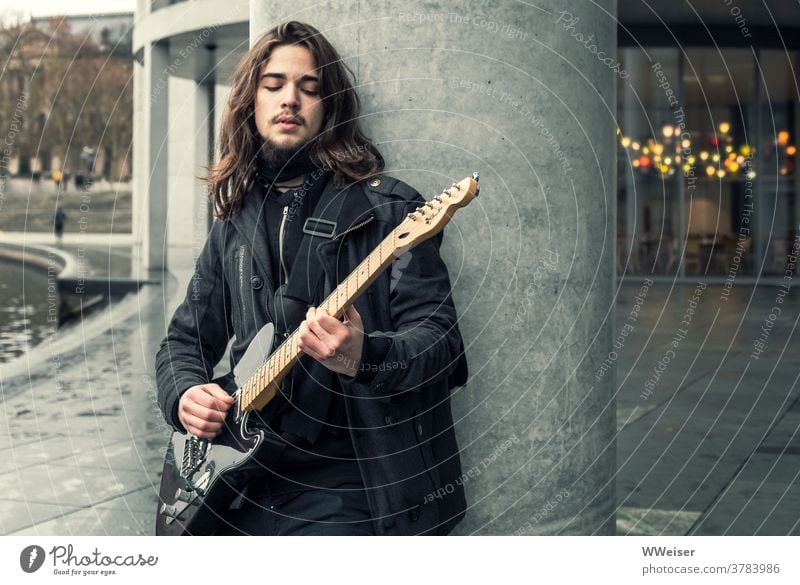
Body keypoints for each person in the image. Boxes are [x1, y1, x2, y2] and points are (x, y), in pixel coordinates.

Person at [154, 21, 468, 536]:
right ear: (250, 103)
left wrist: (364, 356)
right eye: (273, 85)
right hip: (241, 477)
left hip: (349, 486)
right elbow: (184, 339)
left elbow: (444, 349)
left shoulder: (390, 211)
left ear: (330, 107)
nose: (290, 99)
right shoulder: (234, 222)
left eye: (310, 87)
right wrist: (184, 394)